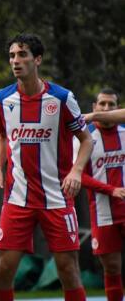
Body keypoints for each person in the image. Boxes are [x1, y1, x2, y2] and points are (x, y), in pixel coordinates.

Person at [0, 33, 96, 301]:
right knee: (5, 268)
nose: (15, 61)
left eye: (22, 55)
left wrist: (76, 171)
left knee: (67, 269)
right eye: (12, 56)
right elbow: (1, 136)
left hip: (56, 197)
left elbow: (86, 139)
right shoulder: (2, 98)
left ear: (37, 59)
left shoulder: (61, 98)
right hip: (17, 197)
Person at [76, 88, 125, 301]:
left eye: (111, 105)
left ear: (117, 108)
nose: (106, 108)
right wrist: (111, 190)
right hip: (103, 213)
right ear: (94, 107)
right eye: (102, 104)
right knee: (112, 268)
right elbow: (80, 176)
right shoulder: (84, 139)